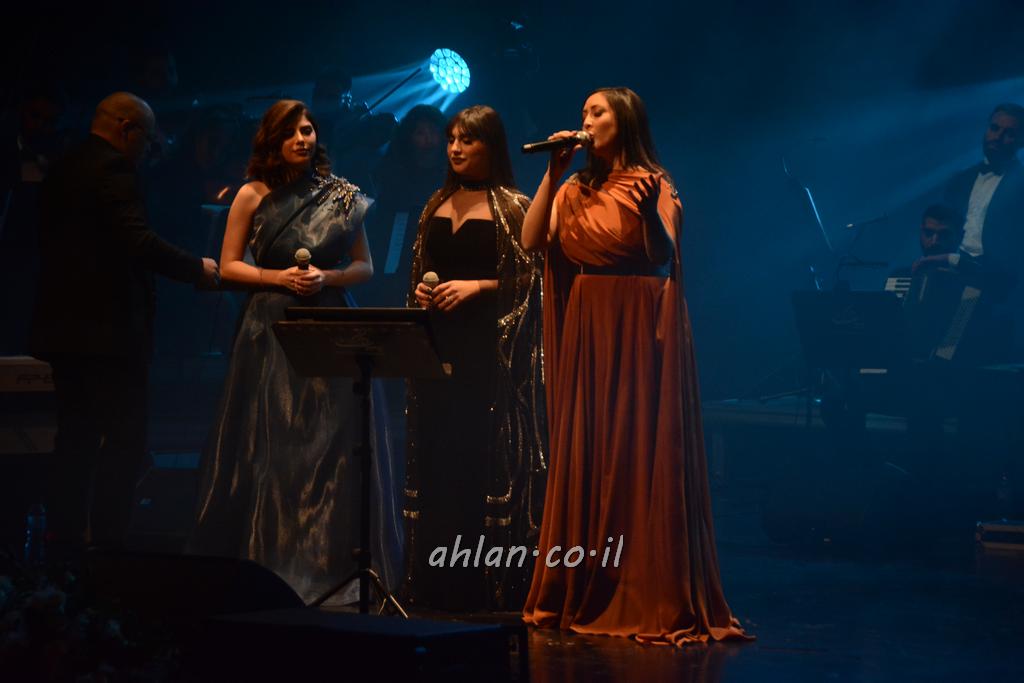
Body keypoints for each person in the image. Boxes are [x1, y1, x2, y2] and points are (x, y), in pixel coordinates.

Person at [519, 87, 750, 645]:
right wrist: (553, 171)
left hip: (640, 323)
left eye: (596, 112)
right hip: (589, 322)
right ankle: (585, 582)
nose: (585, 120)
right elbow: (531, 240)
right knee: (591, 450)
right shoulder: (573, 187)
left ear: (623, 121)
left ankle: (642, 587)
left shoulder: (655, 182)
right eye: (583, 112)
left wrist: (648, 211)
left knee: (638, 447)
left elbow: (662, 251)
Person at [189, 100, 401, 601]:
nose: (302, 139)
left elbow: (365, 267)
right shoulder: (251, 193)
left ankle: (331, 567)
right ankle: (268, 568)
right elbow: (229, 265)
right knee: (271, 444)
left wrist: (325, 277)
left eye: (307, 130)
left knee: (331, 444)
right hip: (269, 325)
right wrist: (277, 278)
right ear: (272, 140)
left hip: (329, 322)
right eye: (291, 133)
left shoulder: (341, 195)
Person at [30, 91, 220, 550]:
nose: (149, 150)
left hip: (62, 329)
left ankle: (64, 550)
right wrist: (196, 268)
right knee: (124, 441)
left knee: (74, 441)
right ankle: (110, 549)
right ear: (126, 129)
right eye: (147, 140)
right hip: (109, 334)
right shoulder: (114, 169)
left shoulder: (62, 167)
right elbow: (138, 241)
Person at [404, 105, 546, 611]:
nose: (456, 149)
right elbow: (419, 268)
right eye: (451, 139)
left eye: (468, 140)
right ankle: (433, 583)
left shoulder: (514, 207)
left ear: (492, 146)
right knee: (437, 453)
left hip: (488, 351)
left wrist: (479, 287)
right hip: (439, 344)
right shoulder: (435, 203)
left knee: (478, 455)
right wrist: (423, 293)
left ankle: (482, 584)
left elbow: (535, 280)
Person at [939, 103, 1024, 358]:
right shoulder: (960, 180)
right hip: (955, 278)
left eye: (1009, 133)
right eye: (994, 128)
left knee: (984, 359)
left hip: (999, 289)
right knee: (945, 353)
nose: (997, 136)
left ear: (1020, 141)